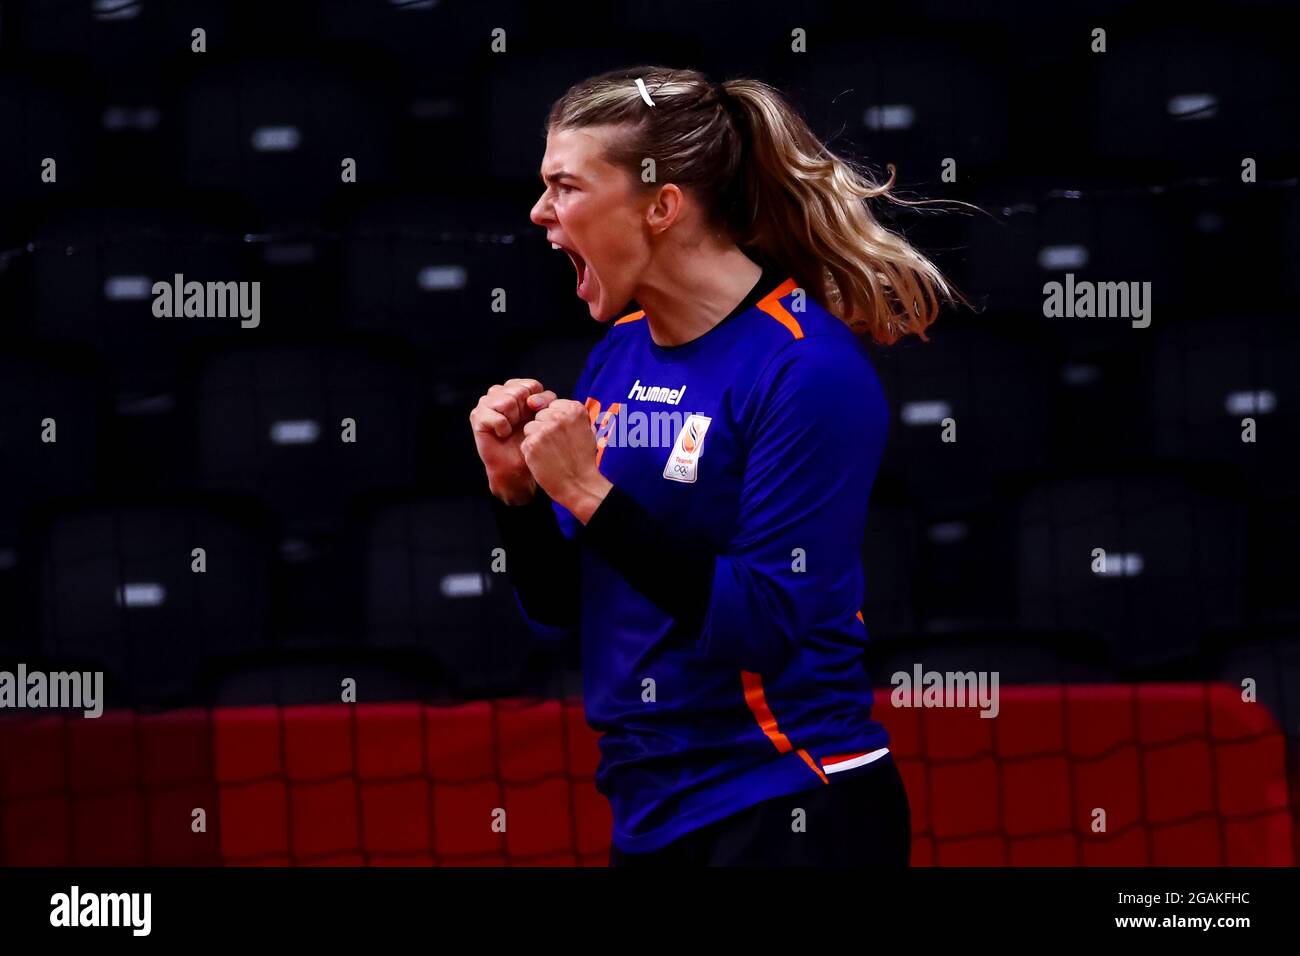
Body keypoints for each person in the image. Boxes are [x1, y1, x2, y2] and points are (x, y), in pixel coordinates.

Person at [469, 66, 960, 866]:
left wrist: (589, 493)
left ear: (661, 206)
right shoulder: (619, 353)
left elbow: (762, 625)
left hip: (791, 799)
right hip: (650, 807)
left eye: (566, 186)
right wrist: (516, 493)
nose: (540, 212)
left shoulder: (806, 370)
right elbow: (560, 610)